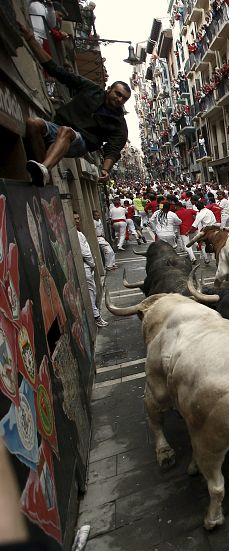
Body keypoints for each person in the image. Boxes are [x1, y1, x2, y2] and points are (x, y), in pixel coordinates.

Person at [20, 21, 129, 186]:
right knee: (33, 123)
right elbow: (57, 71)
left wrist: (105, 170)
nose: (120, 99)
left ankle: (44, 169)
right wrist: (30, 39)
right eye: (118, 94)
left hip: (81, 143)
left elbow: (113, 150)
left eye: (124, 99)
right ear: (109, 90)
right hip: (58, 128)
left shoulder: (119, 124)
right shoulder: (90, 89)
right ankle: (42, 175)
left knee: (66, 132)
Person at [74, 212, 107, 327]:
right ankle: (96, 316)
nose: (77, 221)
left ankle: (96, 315)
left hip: (86, 266)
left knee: (91, 291)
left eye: (78, 218)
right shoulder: (77, 234)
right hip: (86, 266)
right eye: (75, 219)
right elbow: (85, 253)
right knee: (91, 292)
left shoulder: (78, 233)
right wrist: (92, 264)